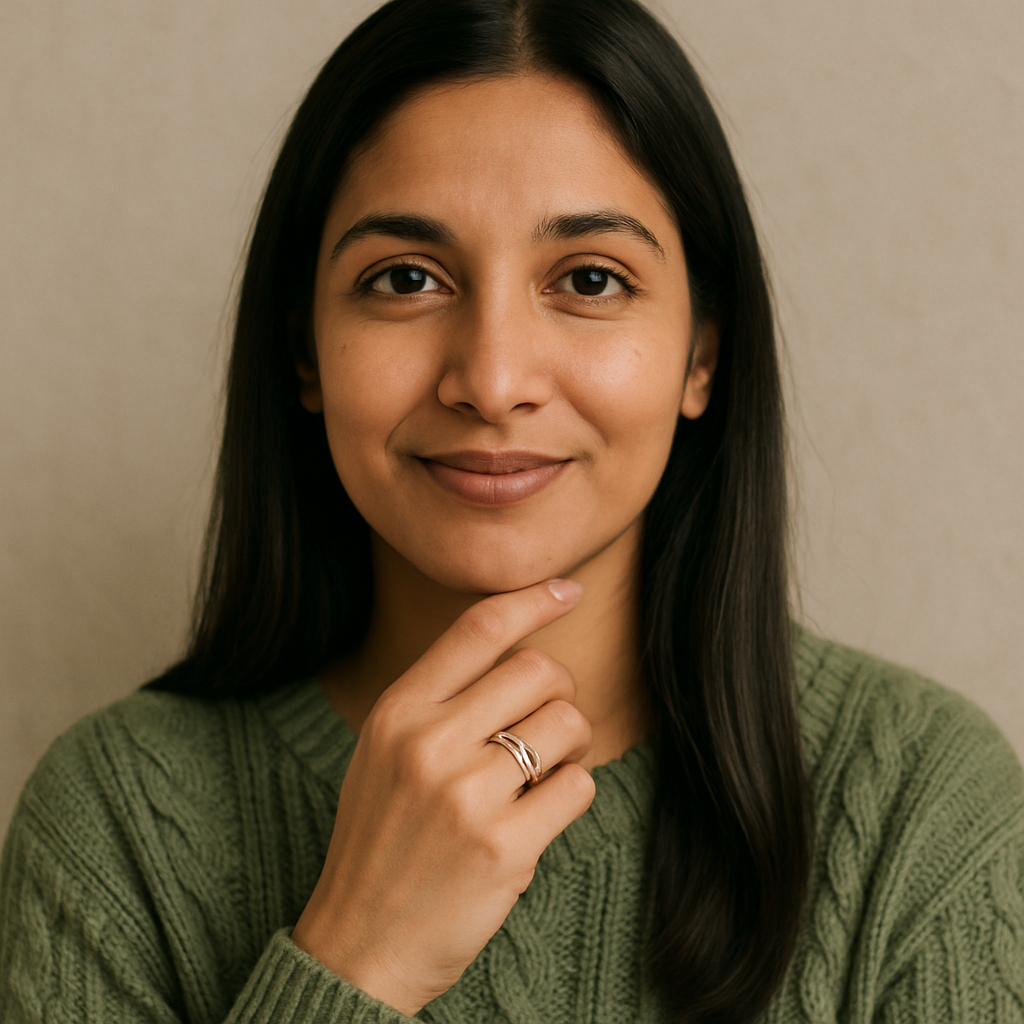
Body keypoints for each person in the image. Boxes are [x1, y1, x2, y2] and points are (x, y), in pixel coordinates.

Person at [1, 0, 1022, 1021]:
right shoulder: (115, 820)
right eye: (404, 278)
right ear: (305, 349)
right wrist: (356, 957)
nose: (492, 379)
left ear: (701, 353)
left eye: (588, 278)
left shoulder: (918, 804)